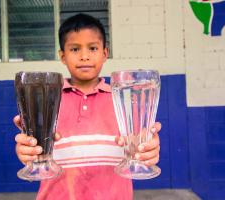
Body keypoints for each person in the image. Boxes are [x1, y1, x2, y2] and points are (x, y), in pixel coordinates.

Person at [13, 13, 161, 200]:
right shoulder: (47, 101)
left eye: (92, 48)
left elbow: (139, 146)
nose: (84, 56)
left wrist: (148, 150)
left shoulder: (123, 100)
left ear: (105, 53)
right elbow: (32, 150)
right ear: (62, 56)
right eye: (75, 49)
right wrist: (27, 151)